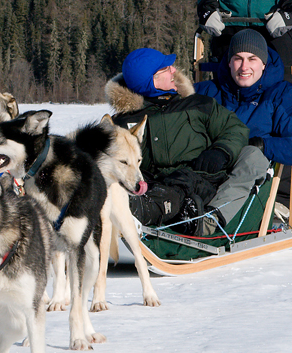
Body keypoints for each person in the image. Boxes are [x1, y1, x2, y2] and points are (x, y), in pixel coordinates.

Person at [105, 47, 271, 232]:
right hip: (155, 185)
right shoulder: (123, 123)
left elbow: (235, 129)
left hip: (204, 178)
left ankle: (210, 221)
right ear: (151, 81)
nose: (174, 71)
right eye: (167, 69)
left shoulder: (199, 104)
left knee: (253, 155)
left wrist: (221, 152)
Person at [194, 27, 292, 170]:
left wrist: (261, 145)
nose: (244, 67)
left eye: (252, 59)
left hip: (247, 174)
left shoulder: (282, 95)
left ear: (264, 64)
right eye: (238, 59)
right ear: (229, 62)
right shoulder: (205, 91)